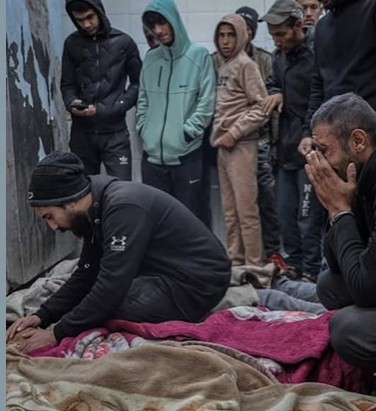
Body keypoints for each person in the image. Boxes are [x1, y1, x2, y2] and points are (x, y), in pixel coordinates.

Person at [7, 152, 230, 353]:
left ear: (71, 201)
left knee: (109, 307)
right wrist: (43, 315)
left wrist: (55, 334)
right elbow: (86, 273)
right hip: (166, 274)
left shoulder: (122, 208)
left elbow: (110, 288)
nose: (53, 227)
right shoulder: (96, 208)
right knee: (92, 302)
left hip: (199, 284)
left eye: (50, 216)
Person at [305, 93, 376, 372]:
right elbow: (337, 262)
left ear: (358, 141)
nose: (320, 162)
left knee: (348, 330)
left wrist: (341, 211)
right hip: (375, 283)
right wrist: (335, 207)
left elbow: (366, 287)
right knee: (328, 283)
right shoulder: (359, 172)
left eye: (324, 150)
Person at [262, 0, 325, 282]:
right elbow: (272, 82)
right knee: (285, 215)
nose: (277, 40)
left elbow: (320, 97)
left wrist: (310, 134)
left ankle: (312, 271)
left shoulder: (317, 54)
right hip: (284, 150)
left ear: (298, 26)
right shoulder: (279, 56)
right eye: (273, 34)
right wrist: (275, 91)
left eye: (281, 34)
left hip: (310, 148)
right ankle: (295, 266)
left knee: (308, 217)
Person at [137, 0, 216, 223]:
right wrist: (145, 130)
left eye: (162, 23)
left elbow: (207, 101)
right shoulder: (151, 59)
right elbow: (142, 100)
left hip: (186, 157)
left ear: (174, 20)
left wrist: (188, 132)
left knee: (193, 220)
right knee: (159, 223)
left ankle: (198, 260)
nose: (159, 31)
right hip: (152, 160)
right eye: (153, 26)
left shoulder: (199, 55)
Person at [211, 14, 270, 267]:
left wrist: (234, 133)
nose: (225, 41)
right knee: (230, 213)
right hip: (223, 147)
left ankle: (255, 266)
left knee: (247, 212)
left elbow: (262, 107)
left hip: (241, 146)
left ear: (242, 36)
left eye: (231, 35)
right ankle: (236, 262)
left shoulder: (247, 65)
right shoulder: (224, 65)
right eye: (222, 35)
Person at [61, 0, 141, 181]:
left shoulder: (124, 42)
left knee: (121, 191)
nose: (86, 25)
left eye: (90, 17)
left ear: (99, 12)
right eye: (80, 20)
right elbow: (67, 85)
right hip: (82, 134)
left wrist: (112, 108)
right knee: (83, 193)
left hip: (115, 133)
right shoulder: (72, 44)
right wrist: (71, 103)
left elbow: (138, 84)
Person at [298, 0, 376, 155]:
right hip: (335, 140)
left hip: (371, 135)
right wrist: (308, 133)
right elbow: (318, 85)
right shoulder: (322, 27)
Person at [234, 6, 284, 263]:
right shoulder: (218, 61)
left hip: (261, 142)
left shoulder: (266, 59)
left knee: (267, 200)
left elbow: (271, 103)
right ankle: (244, 255)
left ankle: (273, 252)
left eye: (248, 30)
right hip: (232, 146)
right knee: (239, 203)